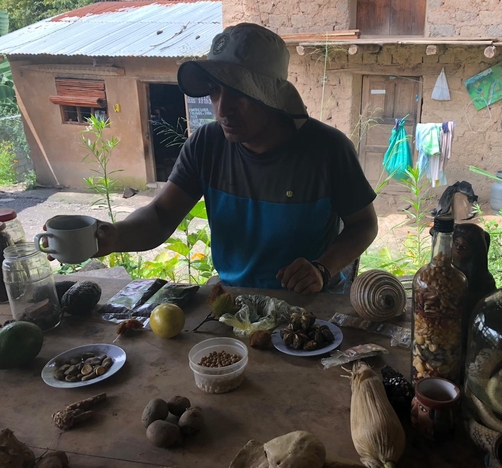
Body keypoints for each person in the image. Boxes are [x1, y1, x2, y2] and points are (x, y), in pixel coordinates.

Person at [70, 23, 378, 294]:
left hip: (310, 306)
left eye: (240, 93)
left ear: (272, 96)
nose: (222, 109)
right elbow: (161, 216)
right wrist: (116, 236)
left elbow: (363, 225)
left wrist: (322, 269)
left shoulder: (328, 149)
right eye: (215, 90)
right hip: (232, 299)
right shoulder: (206, 144)